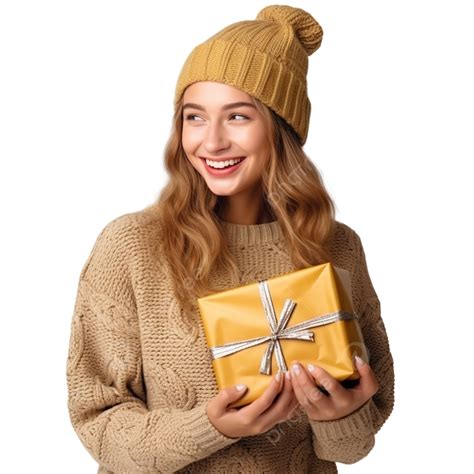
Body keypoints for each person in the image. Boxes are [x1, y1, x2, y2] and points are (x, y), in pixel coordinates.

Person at [66, 4, 395, 473]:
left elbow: (352, 448)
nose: (212, 141)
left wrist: (342, 419)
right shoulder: (130, 246)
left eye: (238, 117)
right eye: (194, 117)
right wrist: (213, 427)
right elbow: (98, 425)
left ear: (281, 129)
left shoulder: (337, 246)